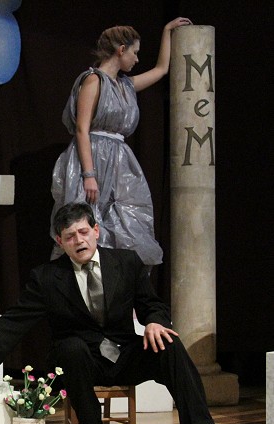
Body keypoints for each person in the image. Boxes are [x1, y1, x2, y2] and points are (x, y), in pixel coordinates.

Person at [0, 203, 229, 424]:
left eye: (83, 232)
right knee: (71, 347)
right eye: (70, 236)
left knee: (169, 344)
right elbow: (12, 324)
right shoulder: (46, 278)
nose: (79, 240)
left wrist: (155, 321)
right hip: (78, 363)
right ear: (60, 242)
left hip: (123, 356)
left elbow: (151, 304)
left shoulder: (126, 262)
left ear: (96, 231)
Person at [50, 18, 192, 267]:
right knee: (85, 221)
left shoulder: (125, 85)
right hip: (92, 155)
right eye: (134, 53)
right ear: (121, 49)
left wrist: (167, 31)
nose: (136, 59)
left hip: (119, 160)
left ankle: (117, 282)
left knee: (128, 220)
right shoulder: (93, 80)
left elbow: (161, 70)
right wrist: (89, 174)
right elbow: (82, 129)